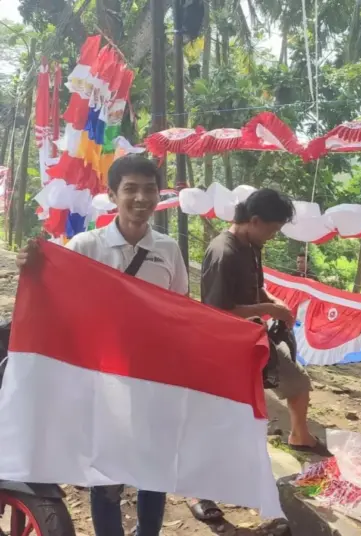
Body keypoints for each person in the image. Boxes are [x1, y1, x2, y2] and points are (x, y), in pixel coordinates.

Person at [17, 154, 188, 536]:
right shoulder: (85, 246)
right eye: (130, 189)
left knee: (154, 468)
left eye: (149, 189)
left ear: (158, 195)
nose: (141, 198)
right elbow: (54, 299)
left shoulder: (168, 250)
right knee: (106, 472)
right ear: (113, 195)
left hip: (152, 379)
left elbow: (180, 312)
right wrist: (31, 268)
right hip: (101, 382)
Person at [188, 188, 327, 522]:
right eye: (272, 229)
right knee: (217, 421)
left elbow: (256, 287)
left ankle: (298, 436)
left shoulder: (252, 245)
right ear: (253, 221)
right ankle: (197, 489)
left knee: (295, 382)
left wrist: (274, 302)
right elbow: (219, 311)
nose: (273, 236)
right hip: (222, 348)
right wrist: (268, 308)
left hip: (253, 338)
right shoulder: (224, 252)